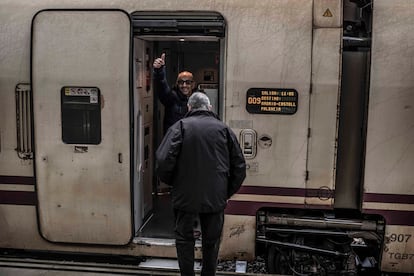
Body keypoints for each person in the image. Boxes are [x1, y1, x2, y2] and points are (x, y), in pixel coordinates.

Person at [155, 92, 246, 276]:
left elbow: (163, 161)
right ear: (209, 108)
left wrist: (175, 183)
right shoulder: (224, 129)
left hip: (185, 196)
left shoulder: (179, 127)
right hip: (215, 196)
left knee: (184, 239)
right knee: (211, 241)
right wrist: (225, 192)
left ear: (189, 107)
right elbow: (240, 167)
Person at [153, 53, 196, 134]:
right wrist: (159, 71)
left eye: (187, 82)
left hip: (191, 140)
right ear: (177, 84)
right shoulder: (172, 98)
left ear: (193, 84)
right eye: (181, 82)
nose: (184, 85)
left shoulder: (198, 100)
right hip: (174, 141)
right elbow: (162, 85)